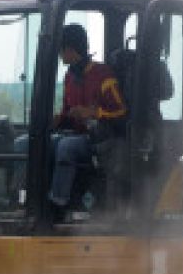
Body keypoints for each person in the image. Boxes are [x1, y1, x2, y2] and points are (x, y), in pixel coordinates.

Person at [48, 23, 127, 215]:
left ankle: (58, 203)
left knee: (66, 146)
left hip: (99, 138)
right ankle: (26, 198)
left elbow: (121, 112)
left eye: (60, 49)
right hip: (76, 134)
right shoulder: (69, 77)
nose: (59, 54)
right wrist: (58, 120)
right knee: (33, 142)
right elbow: (68, 111)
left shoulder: (103, 75)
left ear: (70, 49)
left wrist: (94, 113)